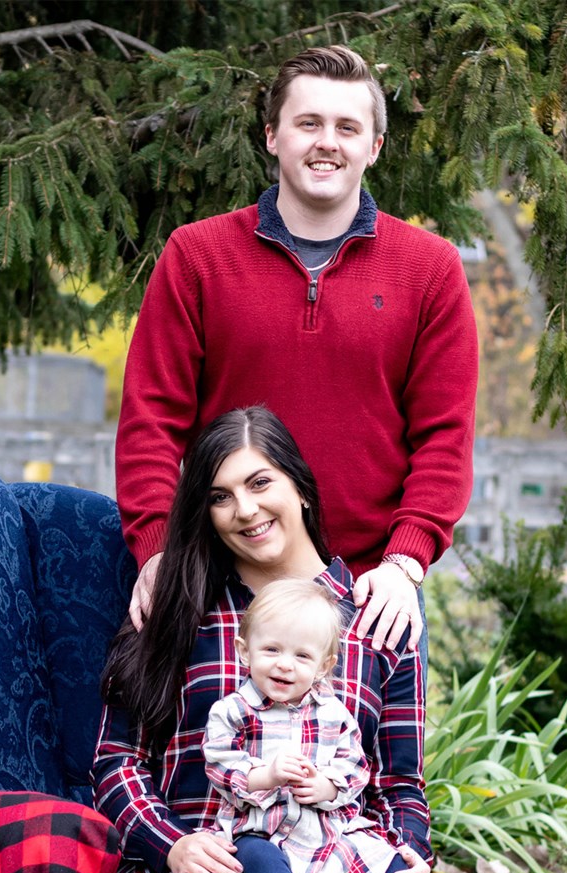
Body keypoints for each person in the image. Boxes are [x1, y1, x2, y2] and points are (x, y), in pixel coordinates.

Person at [93, 406, 445, 873]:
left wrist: (411, 852)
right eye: (219, 495)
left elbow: (400, 780)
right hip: (207, 859)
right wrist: (172, 845)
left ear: (302, 488)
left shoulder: (375, 617)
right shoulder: (177, 604)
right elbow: (114, 761)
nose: (243, 510)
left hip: (331, 853)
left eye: (260, 483)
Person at [115, 44, 478, 659]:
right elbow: (151, 419)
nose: (326, 142)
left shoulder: (430, 269)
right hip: (218, 584)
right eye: (308, 123)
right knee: (200, 756)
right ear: (273, 137)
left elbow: (445, 436)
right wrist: (156, 552)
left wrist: (405, 562)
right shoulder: (197, 257)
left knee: (372, 760)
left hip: (370, 590)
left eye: (347, 127)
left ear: (374, 147)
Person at [203, 577, 480, 873]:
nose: (284, 664)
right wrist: (269, 775)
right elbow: (220, 766)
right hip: (262, 824)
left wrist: (328, 787)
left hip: (327, 829)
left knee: (387, 859)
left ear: (324, 666)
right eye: (271, 649)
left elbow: (355, 766)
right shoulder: (232, 712)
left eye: (301, 656)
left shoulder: (333, 714)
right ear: (245, 651)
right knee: (256, 857)